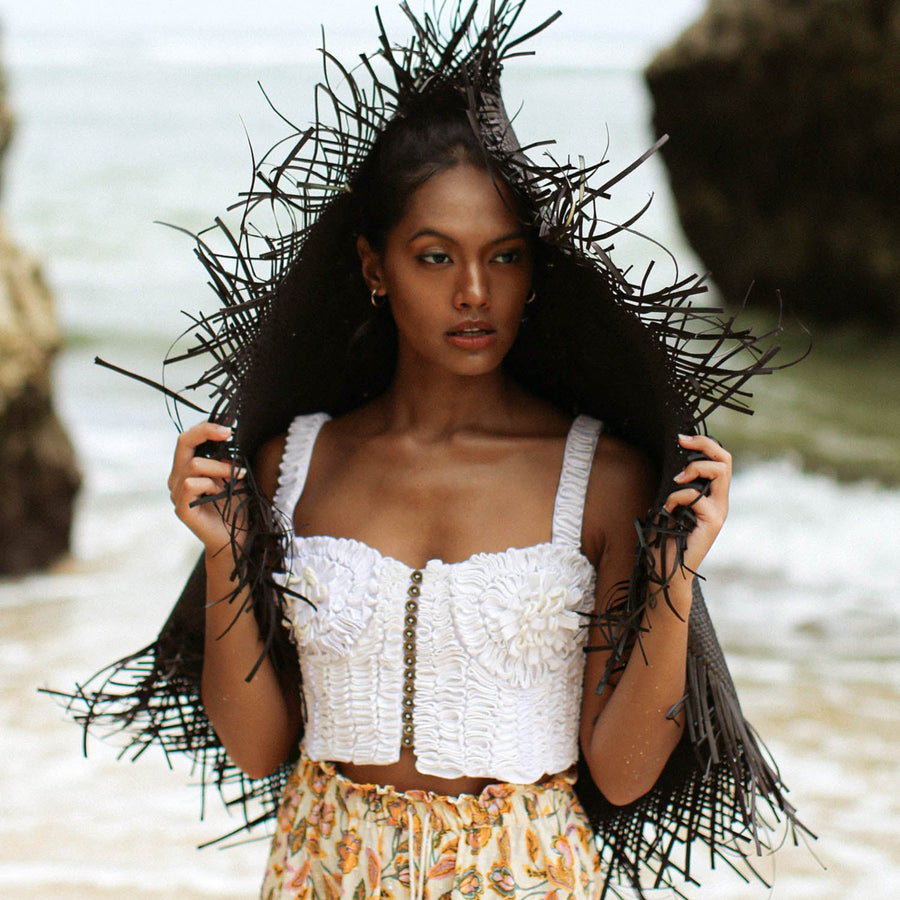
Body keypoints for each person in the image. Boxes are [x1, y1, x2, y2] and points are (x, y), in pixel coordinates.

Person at [64, 2, 808, 897]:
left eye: (502, 257)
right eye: (433, 257)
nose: (472, 292)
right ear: (375, 267)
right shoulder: (294, 467)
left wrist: (677, 577)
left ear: (534, 270)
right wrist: (225, 554)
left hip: (526, 875)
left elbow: (620, 772)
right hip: (323, 867)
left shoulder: (600, 480)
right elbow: (260, 745)